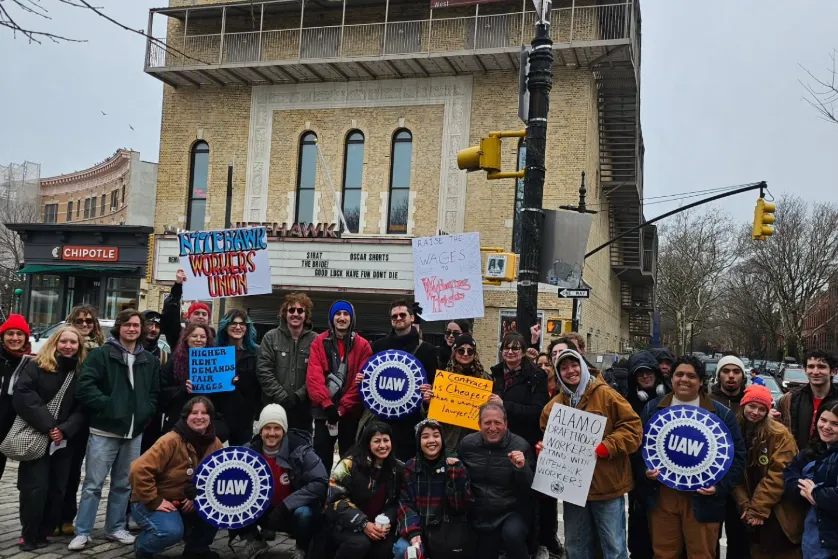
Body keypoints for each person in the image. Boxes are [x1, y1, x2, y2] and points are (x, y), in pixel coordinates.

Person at [636, 355, 746, 559]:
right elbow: (637, 450)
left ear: (701, 381)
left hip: (703, 500)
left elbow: (738, 457)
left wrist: (719, 487)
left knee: (702, 555)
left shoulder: (721, 414)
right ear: (671, 379)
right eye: (679, 374)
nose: (684, 379)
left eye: (691, 376)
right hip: (663, 496)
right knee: (663, 554)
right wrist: (645, 472)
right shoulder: (653, 409)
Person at [70, 310, 161, 551]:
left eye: (136, 325)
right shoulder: (102, 355)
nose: (132, 329)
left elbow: (154, 393)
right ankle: (83, 531)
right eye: (128, 325)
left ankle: (115, 527)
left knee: (123, 484)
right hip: (104, 430)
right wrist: (109, 406)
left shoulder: (148, 359)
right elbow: (85, 386)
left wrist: (145, 411)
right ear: (119, 327)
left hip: (134, 433)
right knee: (93, 484)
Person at [540, 348, 643, 559]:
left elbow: (634, 428)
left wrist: (610, 445)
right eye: (564, 368)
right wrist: (545, 448)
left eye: (574, 365)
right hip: (573, 489)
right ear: (559, 373)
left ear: (583, 366)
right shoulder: (554, 406)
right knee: (577, 548)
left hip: (607, 487)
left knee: (614, 549)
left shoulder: (606, 395)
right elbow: (546, 432)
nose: (570, 371)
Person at [13, 326, 86, 551]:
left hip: (64, 440)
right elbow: (24, 395)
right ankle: (29, 533)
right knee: (34, 488)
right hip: (37, 434)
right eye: (64, 341)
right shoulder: (36, 366)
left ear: (79, 347)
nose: (68, 346)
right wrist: (49, 426)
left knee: (57, 488)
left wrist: (64, 429)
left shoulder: (81, 371)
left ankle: (45, 531)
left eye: (73, 342)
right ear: (55, 342)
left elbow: (83, 407)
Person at [129, 396, 223, 559]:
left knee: (219, 506)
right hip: (151, 500)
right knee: (170, 532)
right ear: (186, 416)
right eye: (194, 413)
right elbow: (138, 469)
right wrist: (154, 500)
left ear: (210, 417)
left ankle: (196, 550)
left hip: (186, 502)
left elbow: (218, 478)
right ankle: (143, 546)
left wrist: (198, 496)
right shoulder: (170, 440)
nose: (199, 417)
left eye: (204, 413)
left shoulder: (215, 443)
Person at [231, 404, 328, 559]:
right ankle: (255, 540)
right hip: (261, 510)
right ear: (260, 430)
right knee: (231, 499)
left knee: (304, 514)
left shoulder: (301, 450)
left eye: (277, 428)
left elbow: (320, 482)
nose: (271, 433)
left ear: (284, 430)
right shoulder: (247, 452)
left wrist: (286, 505)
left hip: (291, 511)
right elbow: (225, 480)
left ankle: (301, 547)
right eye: (267, 428)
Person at [731, 384, 804, 559]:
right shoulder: (734, 432)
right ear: (743, 405)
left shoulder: (780, 435)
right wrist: (745, 505)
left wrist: (757, 508)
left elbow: (779, 474)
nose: (755, 412)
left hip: (778, 509)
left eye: (761, 409)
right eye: (752, 406)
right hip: (749, 509)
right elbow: (733, 474)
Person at [362, 300, 438, 462]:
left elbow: (434, 387)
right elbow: (369, 379)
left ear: (412, 318)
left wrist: (429, 394)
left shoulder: (428, 351)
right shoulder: (378, 347)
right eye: (394, 316)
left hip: (412, 423)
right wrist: (362, 379)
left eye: (402, 315)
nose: (398, 318)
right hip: (383, 421)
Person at [459, 403, 534, 559]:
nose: (492, 428)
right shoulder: (467, 444)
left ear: (506, 424)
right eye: (487, 423)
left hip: (511, 511)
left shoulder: (521, 446)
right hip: (481, 513)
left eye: (498, 423)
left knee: (512, 535)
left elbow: (531, 490)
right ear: (479, 424)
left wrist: (522, 468)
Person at [307, 300, 372, 473]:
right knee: (320, 460)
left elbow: (362, 382)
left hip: (350, 414)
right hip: (323, 412)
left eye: (346, 314)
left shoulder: (363, 345)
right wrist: (327, 406)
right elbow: (314, 376)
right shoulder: (319, 342)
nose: (341, 318)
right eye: (337, 314)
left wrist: (342, 409)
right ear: (331, 317)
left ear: (352, 318)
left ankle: (345, 497)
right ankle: (320, 496)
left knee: (350, 462)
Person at [324, 422, 403, 559]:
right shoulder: (348, 464)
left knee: (385, 549)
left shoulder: (397, 468)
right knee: (360, 544)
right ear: (367, 443)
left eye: (386, 440)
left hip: (378, 526)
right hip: (346, 524)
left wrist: (387, 520)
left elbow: (398, 500)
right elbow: (335, 499)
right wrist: (363, 523)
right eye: (377, 441)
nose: (383, 446)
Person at [393, 419, 471, 558]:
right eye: (425, 436)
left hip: (445, 530)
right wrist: (413, 532)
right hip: (418, 527)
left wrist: (455, 475)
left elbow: (460, 506)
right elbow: (405, 504)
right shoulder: (410, 467)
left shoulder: (455, 465)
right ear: (418, 442)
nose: (431, 440)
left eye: (436, 435)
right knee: (402, 550)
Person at [59, 305, 104, 534]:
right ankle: (52, 516)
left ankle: (68, 516)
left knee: (76, 470)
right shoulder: (65, 347)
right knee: (60, 469)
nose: (85, 324)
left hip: (90, 418)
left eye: (89, 321)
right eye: (80, 321)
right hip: (64, 417)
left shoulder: (101, 351)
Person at [625, 351, 669, 559]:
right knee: (640, 528)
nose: (644, 376)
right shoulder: (627, 403)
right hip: (640, 477)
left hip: (668, 479)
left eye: (648, 372)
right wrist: (641, 471)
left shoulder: (672, 398)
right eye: (639, 374)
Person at [783, 399, 838, 559]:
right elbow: (789, 475)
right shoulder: (813, 450)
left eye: (835, 424)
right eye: (823, 420)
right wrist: (803, 490)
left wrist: (815, 493)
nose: (826, 427)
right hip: (813, 539)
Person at [708, 354, 749, 557]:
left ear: (743, 376)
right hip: (711, 480)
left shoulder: (752, 403)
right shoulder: (706, 402)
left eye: (736, 371)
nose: (731, 376)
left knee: (739, 539)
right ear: (719, 375)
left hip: (742, 481)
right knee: (709, 538)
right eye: (726, 371)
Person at [257, 293, 317, 433]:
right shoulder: (271, 337)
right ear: (285, 313)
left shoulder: (316, 340)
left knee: (301, 451)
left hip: (303, 409)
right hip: (274, 408)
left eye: (300, 311)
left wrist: (300, 395)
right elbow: (263, 370)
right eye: (291, 310)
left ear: (306, 315)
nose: (295, 314)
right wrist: (282, 396)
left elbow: (318, 373)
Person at [429, 334, 493, 452]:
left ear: (474, 354)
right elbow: (429, 414)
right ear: (454, 352)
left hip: (476, 442)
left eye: (470, 351)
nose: (465, 354)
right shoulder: (443, 377)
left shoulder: (485, 379)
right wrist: (427, 402)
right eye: (461, 350)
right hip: (448, 440)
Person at [490, 332, 549, 449]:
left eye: (515, 348)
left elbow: (537, 411)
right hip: (496, 438)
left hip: (524, 441)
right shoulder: (495, 374)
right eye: (506, 347)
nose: (510, 352)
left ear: (523, 352)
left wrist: (504, 405)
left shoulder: (537, 376)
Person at [774, 350, 838, 451]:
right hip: (797, 461)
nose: (815, 372)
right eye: (811, 367)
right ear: (805, 370)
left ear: (833, 371)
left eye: (821, 367)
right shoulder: (789, 399)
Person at [160, 323, 216, 435]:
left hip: (205, 422)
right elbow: (162, 391)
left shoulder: (215, 361)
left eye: (203, 337)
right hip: (178, 420)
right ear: (186, 338)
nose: (198, 340)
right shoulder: (174, 361)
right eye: (194, 336)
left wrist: (229, 381)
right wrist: (182, 389)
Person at [216, 309, 262, 446]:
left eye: (242, 324)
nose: (237, 327)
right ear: (225, 327)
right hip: (220, 416)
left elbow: (260, 385)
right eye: (233, 323)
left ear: (247, 328)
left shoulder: (256, 352)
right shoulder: (215, 351)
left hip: (245, 418)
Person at [0, 314, 32, 481]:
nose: (14, 338)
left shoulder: (32, 363)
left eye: (19, 334)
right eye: (9, 333)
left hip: (10, 430)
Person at [140, 310, 169, 456]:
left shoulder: (164, 356)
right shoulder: (128, 352)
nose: (153, 329)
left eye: (157, 326)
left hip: (152, 419)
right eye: (149, 324)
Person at [161, 269, 213, 350]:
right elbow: (170, 313)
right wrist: (178, 287)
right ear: (188, 317)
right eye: (196, 313)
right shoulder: (178, 334)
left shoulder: (214, 338)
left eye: (204, 314)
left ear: (209, 319)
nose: (200, 316)